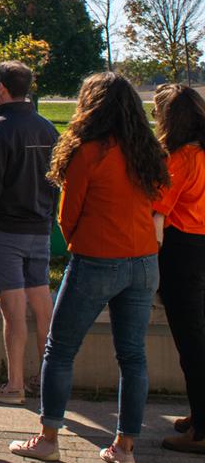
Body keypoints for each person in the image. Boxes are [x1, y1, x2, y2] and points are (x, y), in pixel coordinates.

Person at [10, 72, 168, 463]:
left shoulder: (87, 152)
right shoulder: (149, 152)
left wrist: (81, 243)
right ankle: (124, 448)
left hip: (97, 259)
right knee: (133, 357)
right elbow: (158, 202)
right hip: (144, 261)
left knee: (60, 350)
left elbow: (68, 216)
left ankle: (48, 439)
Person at [0, 61, 59, 405]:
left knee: (12, 308)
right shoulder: (47, 128)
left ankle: (15, 385)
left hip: (5, 230)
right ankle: (49, 382)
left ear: (3, 88)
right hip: (39, 226)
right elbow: (56, 181)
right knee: (41, 304)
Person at [151, 84, 205, 454]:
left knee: (192, 342)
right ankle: (198, 413)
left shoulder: (181, 159)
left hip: (182, 252)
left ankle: (201, 431)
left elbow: (158, 215)